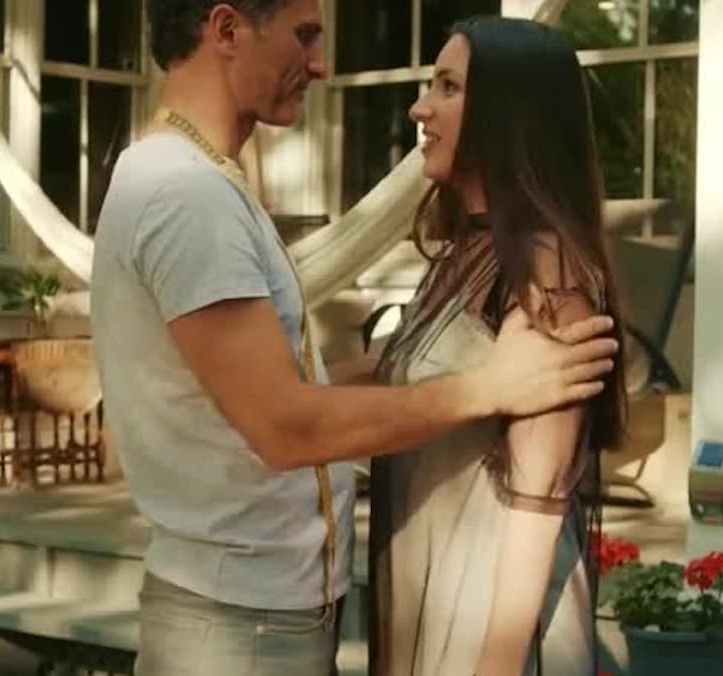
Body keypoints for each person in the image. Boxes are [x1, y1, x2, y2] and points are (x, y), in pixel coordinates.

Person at [89, 1, 622, 674]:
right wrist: (487, 387)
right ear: (225, 30)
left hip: (431, 620)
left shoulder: (534, 268)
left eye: (448, 87)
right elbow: (285, 424)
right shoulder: (186, 193)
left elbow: (536, 501)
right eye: (305, 35)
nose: (320, 64)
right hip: (241, 625)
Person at [366, 16, 626, 676]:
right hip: (434, 602)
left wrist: (497, 665)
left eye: (449, 87)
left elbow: (540, 496)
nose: (419, 108)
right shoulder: (467, 255)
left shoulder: (550, 271)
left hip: (491, 632)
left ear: (510, 114)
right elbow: (403, 375)